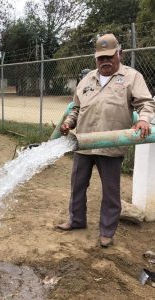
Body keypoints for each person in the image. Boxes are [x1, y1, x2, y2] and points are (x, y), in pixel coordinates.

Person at [56, 33, 155, 247]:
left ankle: (107, 232)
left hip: (110, 143)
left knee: (110, 192)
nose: (106, 61)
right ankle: (76, 220)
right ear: (95, 58)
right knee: (77, 185)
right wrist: (69, 123)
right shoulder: (87, 79)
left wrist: (144, 120)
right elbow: (76, 107)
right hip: (82, 142)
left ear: (119, 53)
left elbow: (146, 103)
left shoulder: (131, 77)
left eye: (110, 56)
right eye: (101, 58)